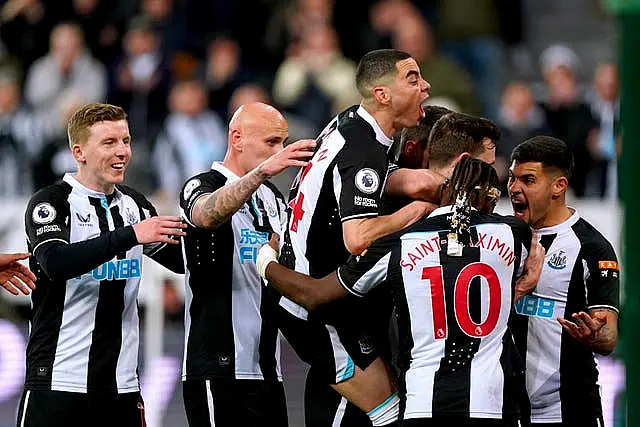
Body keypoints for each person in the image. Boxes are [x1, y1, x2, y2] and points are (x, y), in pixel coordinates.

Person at [259, 157, 541, 426]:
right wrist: (520, 287)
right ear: (491, 200)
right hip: (492, 403)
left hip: (422, 403)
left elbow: (315, 294)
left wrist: (266, 263)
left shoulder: (400, 242)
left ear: (444, 190)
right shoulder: (514, 233)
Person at [275, 48, 432, 427]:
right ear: (382, 95)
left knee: (360, 403)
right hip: (313, 304)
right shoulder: (362, 150)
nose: (425, 86)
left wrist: (422, 182)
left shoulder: (351, 124)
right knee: (390, 412)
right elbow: (357, 236)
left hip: (323, 294)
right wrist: (414, 211)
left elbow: (373, 178)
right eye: (412, 79)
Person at [17, 103, 187, 427]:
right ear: (78, 151)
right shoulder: (50, 203)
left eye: (126, 140)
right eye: (109, 143)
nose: (122, 151)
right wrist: (131, 235)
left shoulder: (135, 204)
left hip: (121, 387)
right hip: (57, 380)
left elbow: (181, 262)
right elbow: (56, 263)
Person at [178, 102, 315, 427]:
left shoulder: (273, 199)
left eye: (282, 142)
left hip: (267, 368)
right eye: (271, 142)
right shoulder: (202, 184)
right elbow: (206, 214)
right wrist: (262, 172)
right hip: (215, 366)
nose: (279, 151)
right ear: (237, 138)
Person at [508, 136, 620, 426]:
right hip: (508, 409)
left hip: (569, 409)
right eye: (512, 178)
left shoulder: (592, 248)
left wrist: (595, 335)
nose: (515, 189)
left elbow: (608, 336)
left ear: (559, 186)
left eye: (528, 180)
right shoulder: (504, 239)